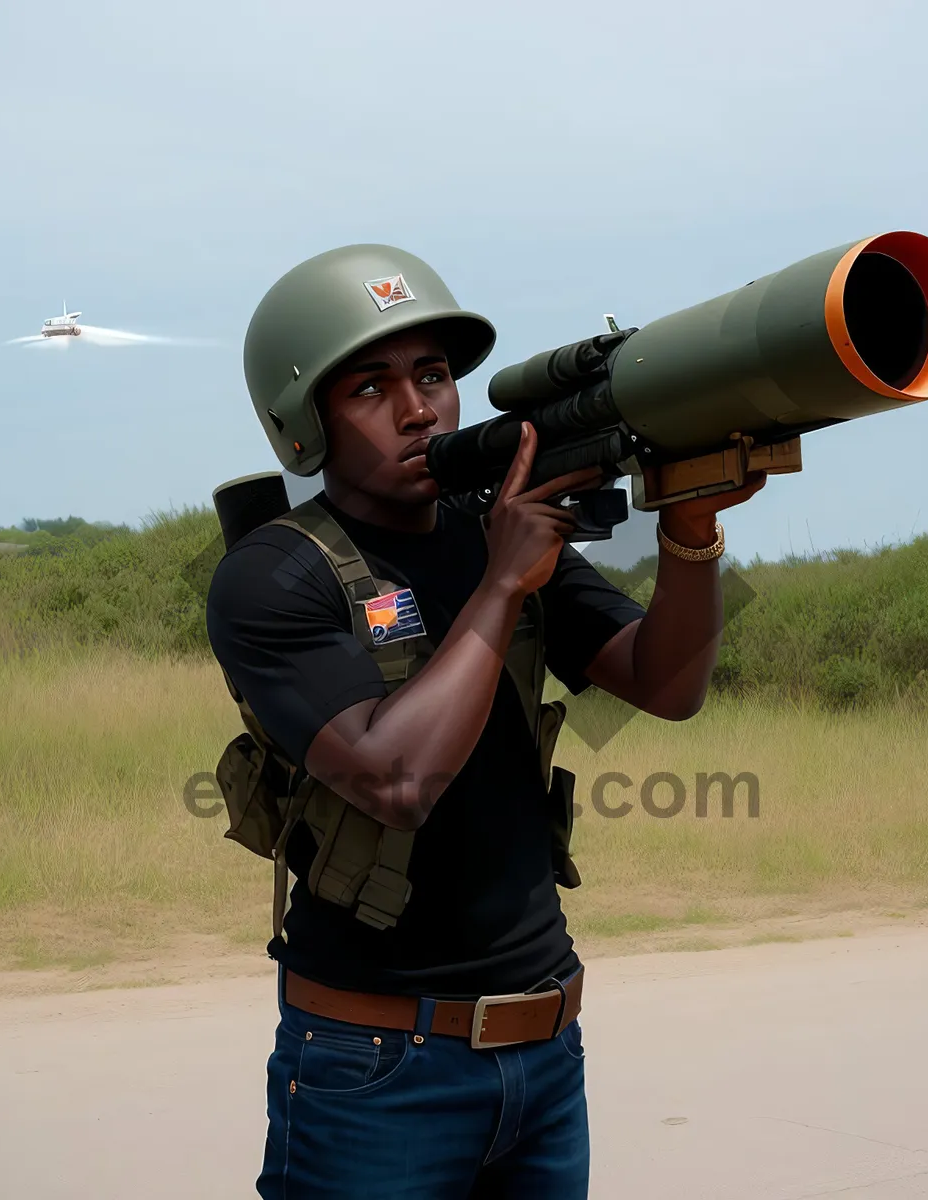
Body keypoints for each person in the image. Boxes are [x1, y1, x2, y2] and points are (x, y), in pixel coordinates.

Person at [205, 244, 765, 1198]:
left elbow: (666, 683)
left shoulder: (492, 519)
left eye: (432, 375)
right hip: (374, 1065)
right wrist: (504, 581)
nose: (418, 407)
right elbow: (395, 779)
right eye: (371, 388)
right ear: (303, 427)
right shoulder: (276, 575)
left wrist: (691, 529)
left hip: (546, 1050)